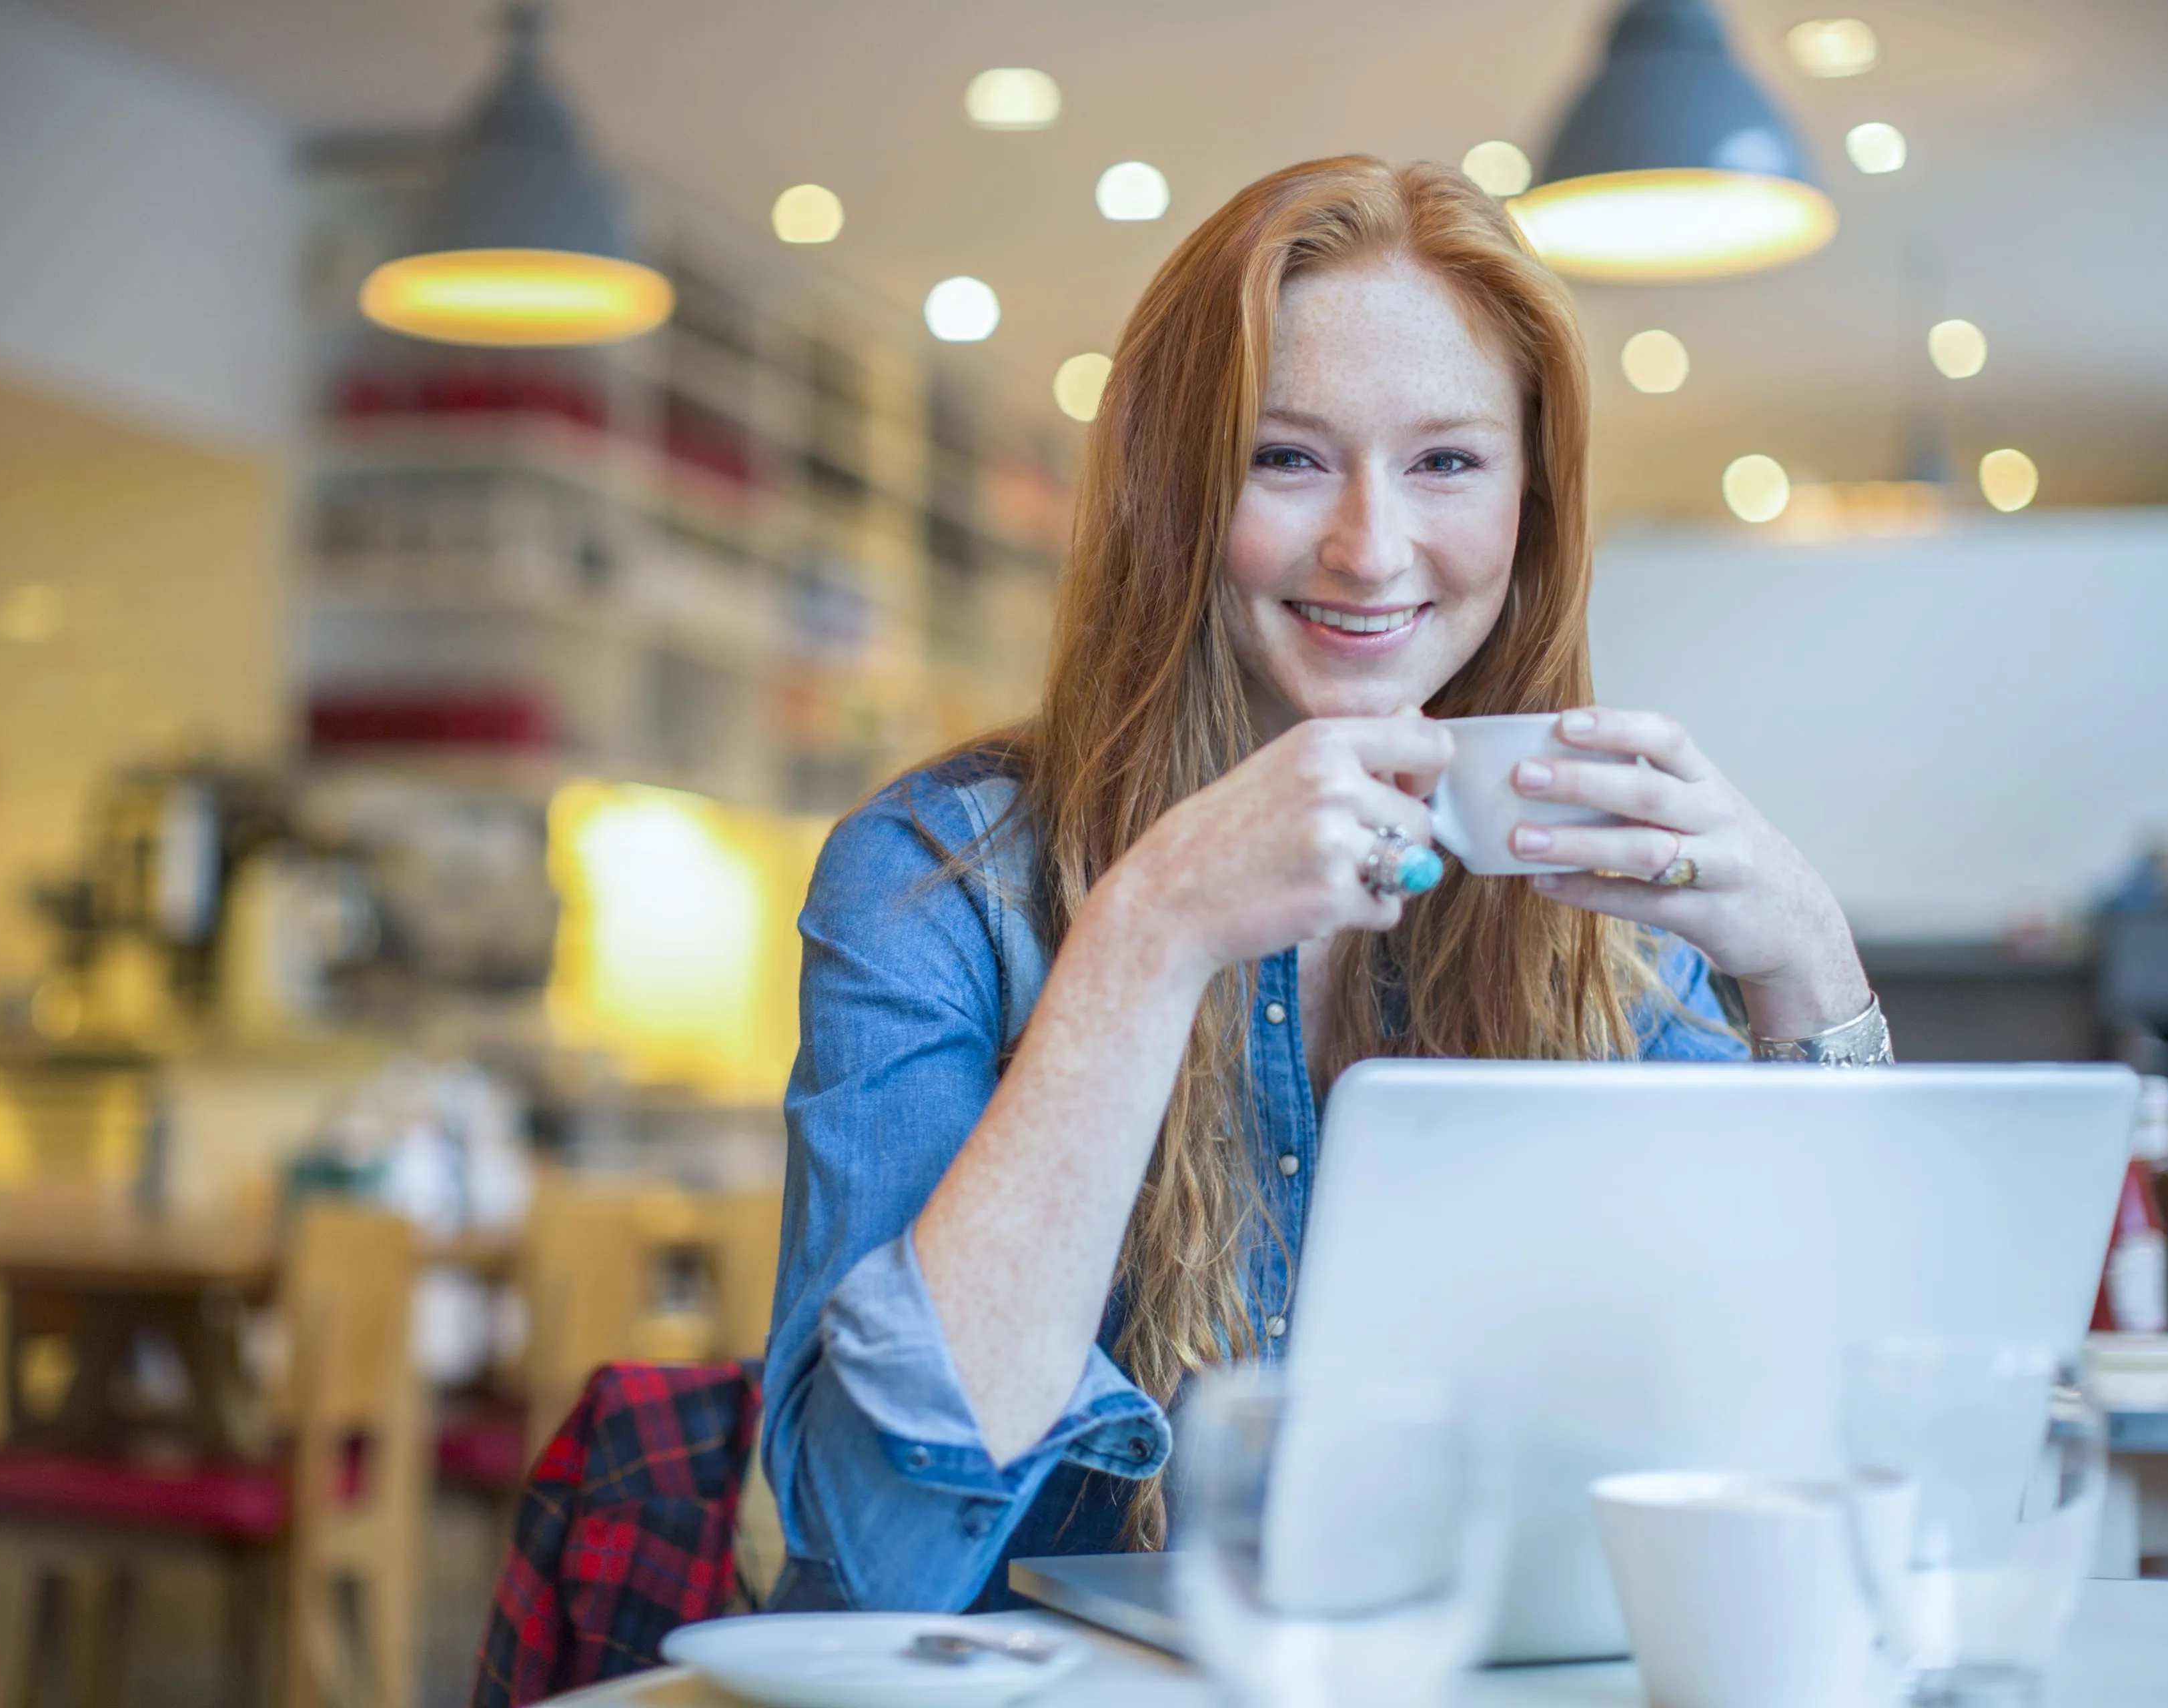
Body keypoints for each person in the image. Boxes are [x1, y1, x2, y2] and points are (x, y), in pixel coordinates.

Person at [760, 155, 1889, 1615]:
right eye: (1287, 458)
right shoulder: (936, 878)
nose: (1371, 547)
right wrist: (1147, 931)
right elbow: (876, 1551)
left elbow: (1833, 1453)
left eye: (1448, 462)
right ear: (1172, 494)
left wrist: (1811, 967)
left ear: (1533, 503)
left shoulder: (1592, 906)